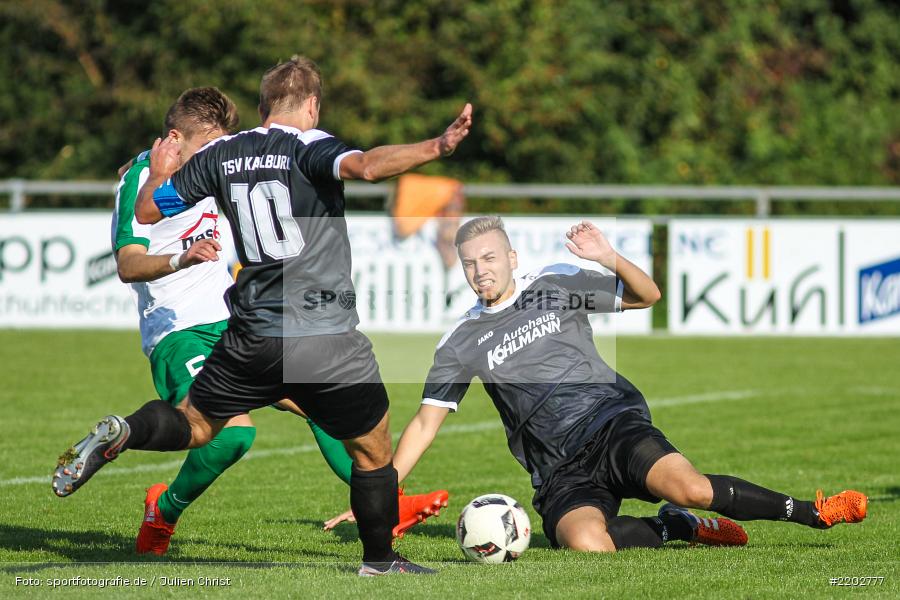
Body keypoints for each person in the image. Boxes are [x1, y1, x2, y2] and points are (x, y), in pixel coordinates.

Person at [54, 55, 471, 575]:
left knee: (202, 424)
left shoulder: (226, 152)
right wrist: (438, 146)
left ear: (259, 107)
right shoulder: (309, 144)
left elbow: (149, 210)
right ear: (313, 106)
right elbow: (366, 167)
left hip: (247, 330)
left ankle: (128, 431)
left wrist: (156, 179)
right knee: (371, 442)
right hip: (313, 327)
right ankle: (380, 557)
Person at [386, 216, 867, 552]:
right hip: (559, 469)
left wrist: (608, 257)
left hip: (610, 425)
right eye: (470, 263)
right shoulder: (460, 340)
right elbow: (426, 424)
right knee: (587, 544)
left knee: (693, 489)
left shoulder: (556, 283)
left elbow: (647, 296)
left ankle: (812, 511)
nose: (480, 271)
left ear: (511, 255)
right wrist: (380, 495)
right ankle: (671, 528)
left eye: (489, 258)